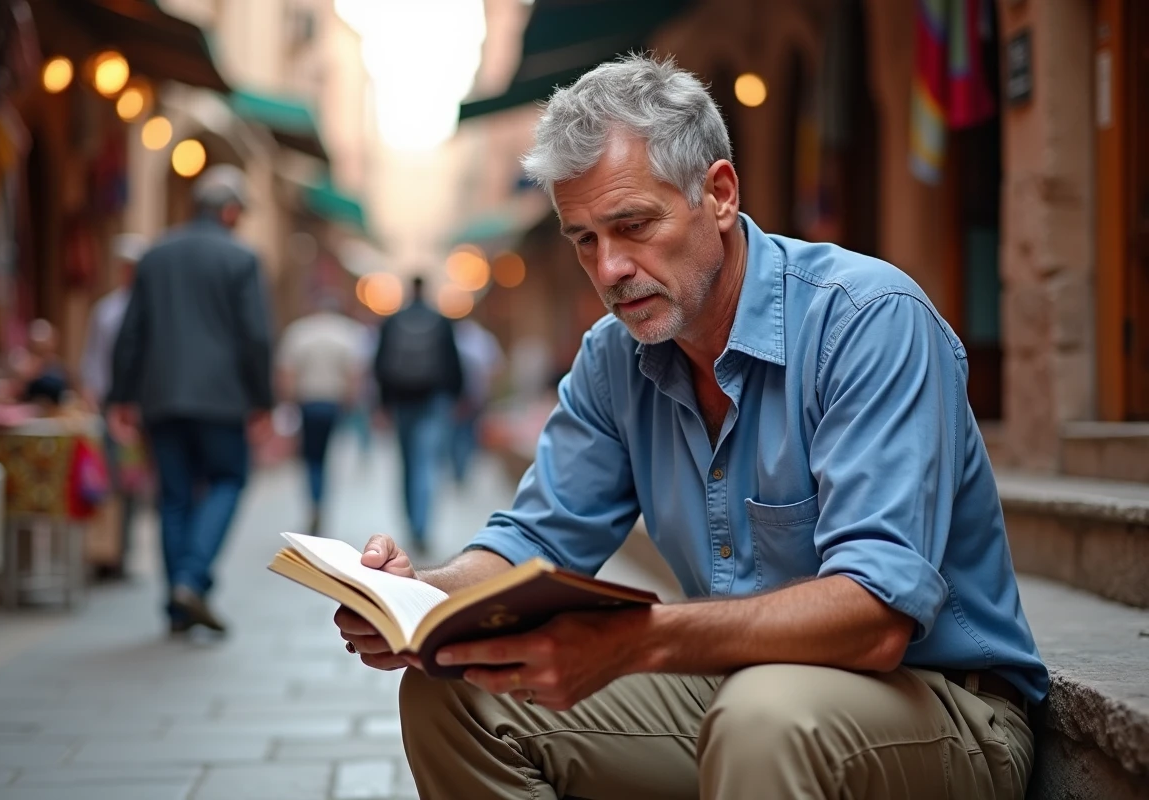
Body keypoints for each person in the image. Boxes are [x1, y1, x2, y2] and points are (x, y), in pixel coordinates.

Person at [334, 56, 1047, 799]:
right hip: (739, 691)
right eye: (583, 240)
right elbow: (537, 540)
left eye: (633, 225)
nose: (610, 268)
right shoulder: (617, 357)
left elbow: (875, 617)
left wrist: (639, 641)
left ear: (719, 195)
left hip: (942, 707)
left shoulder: (866, 321)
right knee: (459, 695)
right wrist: (423, 599)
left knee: (763, 716)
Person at [108, 164, 274, 635]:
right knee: (227, 480)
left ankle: (178, 604)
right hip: (222, 399)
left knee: (174, 497)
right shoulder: (241, 259)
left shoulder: (155, 256)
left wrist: (121, 395)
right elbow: (255, 337)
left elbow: (131, 331)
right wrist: (262, 401)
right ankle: (191, 580)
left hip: (161, 397)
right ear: (227, 211)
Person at [372, 275, 462, 557]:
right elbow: (453, 361)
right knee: (425, 463)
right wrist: (456, 395)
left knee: (407, 464)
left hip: (401, 401)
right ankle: (422, 527)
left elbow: (380, 363)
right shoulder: (440, 320)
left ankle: (412, 524)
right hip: (433, 400)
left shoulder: (392, 321)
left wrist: (383, 402)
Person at [80, 233, 147, 578]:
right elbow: (93, 358)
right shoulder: (107, 311)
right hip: (111, 406)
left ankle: (122, 552)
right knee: (107, 480)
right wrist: (93, 394)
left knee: (132, 482)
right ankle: (104, 553)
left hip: (137, 409)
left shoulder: (150, 310)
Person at [276, 295, 371, 535]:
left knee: (311, 458)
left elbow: (287, 372)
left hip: (307, 402)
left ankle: (314, 502)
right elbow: (355, 373)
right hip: (333, 403)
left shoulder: (299, 332)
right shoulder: (348, 333)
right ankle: (321, 502)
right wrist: (351, 401)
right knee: (326, 456)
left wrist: (288, 402)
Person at [448, 316, 504, 485]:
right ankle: (462, 468)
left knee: (457, 432)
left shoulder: (454, 338)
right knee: (467, 432)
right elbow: (497, 367)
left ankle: (459, 467)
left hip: (456, 396)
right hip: (476, 396)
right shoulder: (483, 338)